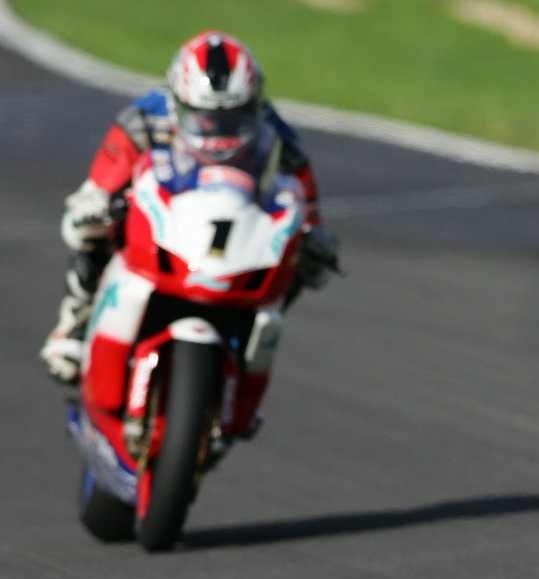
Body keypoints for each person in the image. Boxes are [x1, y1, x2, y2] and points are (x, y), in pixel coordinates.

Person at [39, 30, 340, 384]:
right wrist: (96, 203)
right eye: (205, 115)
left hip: (234, 224)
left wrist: (312, 233)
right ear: (178, 101)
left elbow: (304, 190)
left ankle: (248, 351)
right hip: (163, 218)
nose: (218, 127)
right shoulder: (142, 119)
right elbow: (101, 181)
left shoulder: (273, 128)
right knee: (91, 229)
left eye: (234, 116)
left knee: (306, 260)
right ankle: (74, 325)